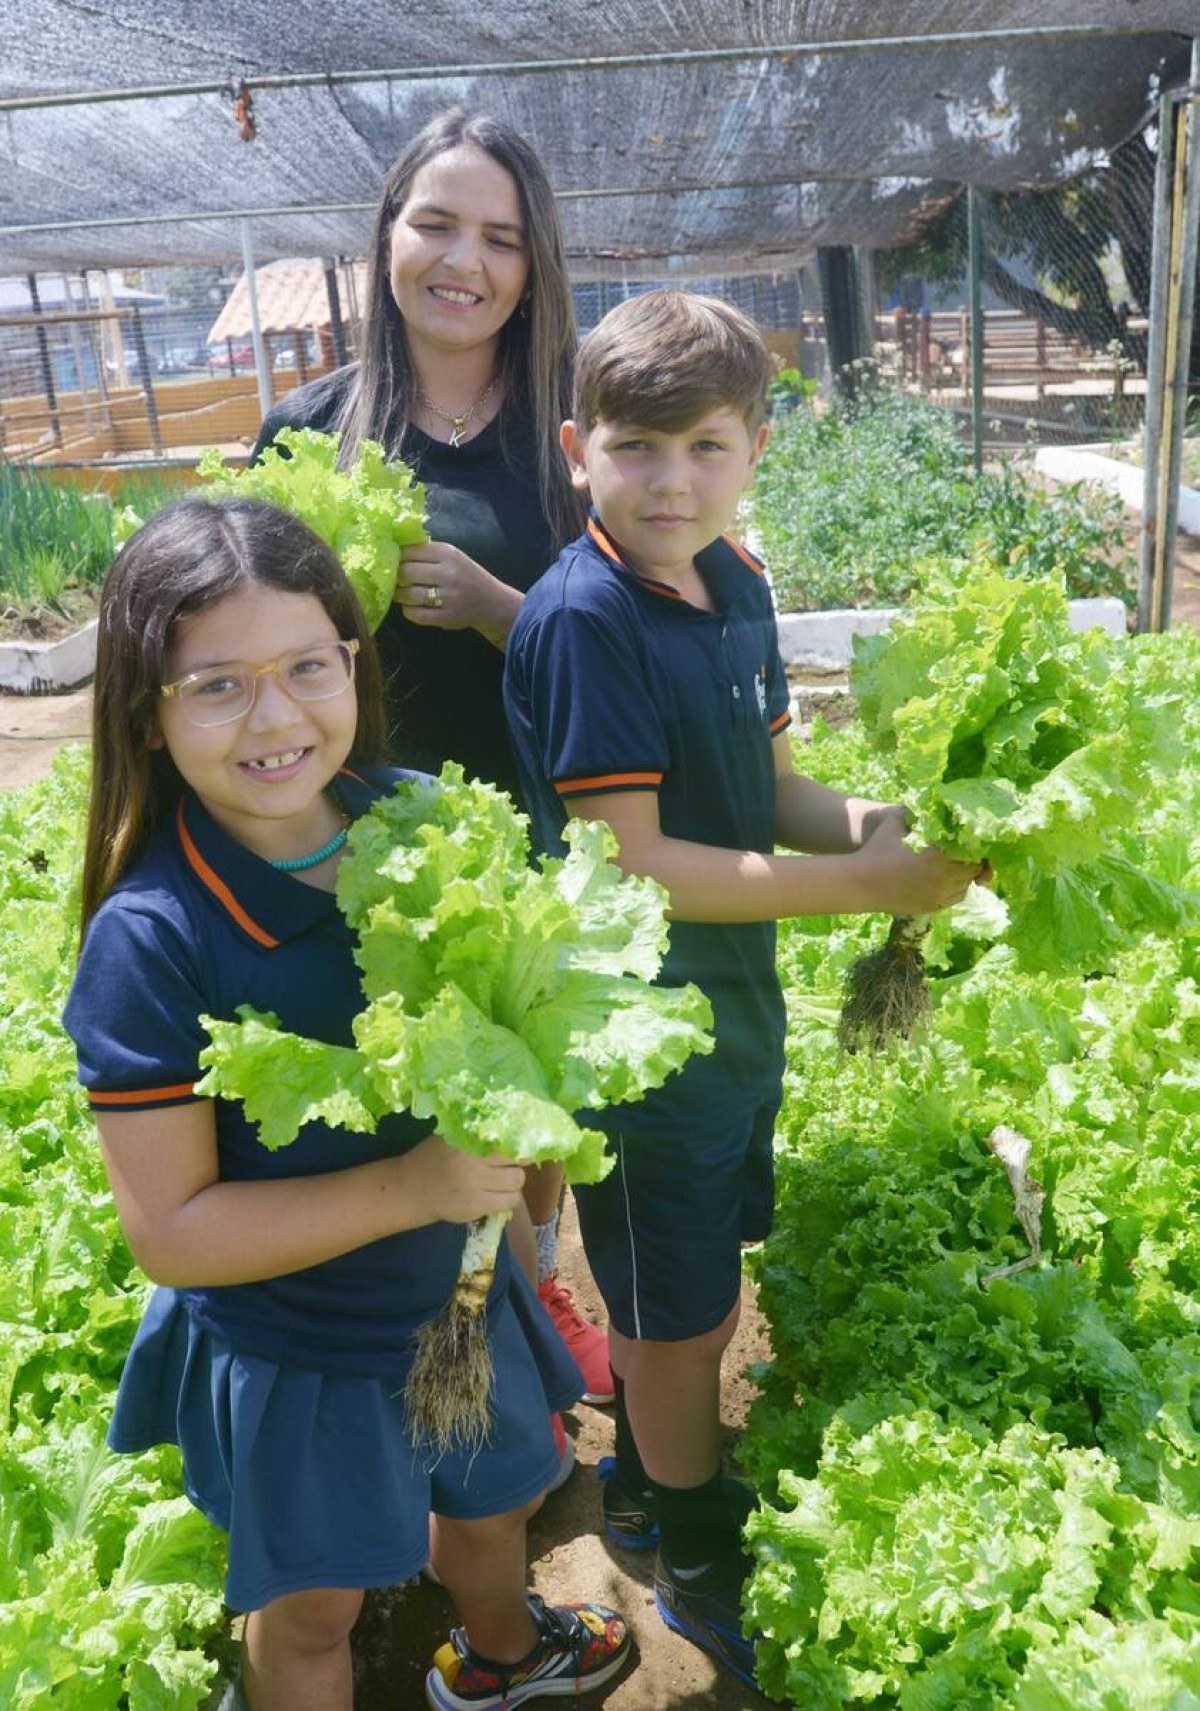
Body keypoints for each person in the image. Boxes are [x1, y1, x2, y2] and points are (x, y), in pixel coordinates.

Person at [62, 497, 632, 1711]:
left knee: (496, 1510)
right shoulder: (154, 939)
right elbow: (172, 1231)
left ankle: (501, 1656)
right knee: (314, 1610)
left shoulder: (419, 820)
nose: (275, 717)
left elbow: (522, 1030)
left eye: (307, 666)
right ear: (146, 717)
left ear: (353, 663)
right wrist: (411, 1185)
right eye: (216, 685)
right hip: (303, 1352)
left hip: (468, 1297)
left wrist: (531, 1167)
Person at [503, 290, 984, 1688]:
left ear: (755, 448)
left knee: (697, 1289)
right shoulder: (585, 619)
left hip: (731, 1013)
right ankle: (693, 1548)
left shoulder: (740, 585)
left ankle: (652, 1484)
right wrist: (860, 890)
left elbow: (775, 785)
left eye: (706, 446)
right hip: (642, 1038)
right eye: (639, 447)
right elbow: (633, 859)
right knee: (671, 1311)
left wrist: (886, 828)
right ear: (578, 444)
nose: (673, 480)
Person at [251, 106, 610, 1404]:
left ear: (534, 266)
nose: (465, 260)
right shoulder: (311, 427)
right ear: (387, 237)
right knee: (408, 1119)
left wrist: (502, 604)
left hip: (540, 830)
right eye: (437, 223)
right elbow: (244, 650)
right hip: (354, 843)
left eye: (501, 238)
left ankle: (525, 1298)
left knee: (531, 1109)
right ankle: (454, 1355)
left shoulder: (573, 440)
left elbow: (637, 649)